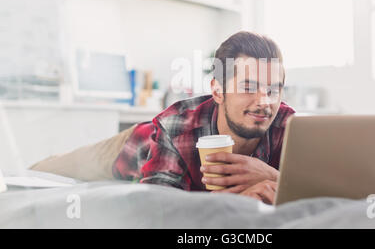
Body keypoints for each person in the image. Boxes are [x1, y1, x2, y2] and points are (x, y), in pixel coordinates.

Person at [31, 31, 295, 204]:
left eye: (274, 89)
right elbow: (156, 210)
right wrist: (234, 204)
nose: (265, 102)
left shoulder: (291, 129)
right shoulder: (175, 127)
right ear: (217, 90)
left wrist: (275, 178)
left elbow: (331, 189)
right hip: (135, 146)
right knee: (56, 170)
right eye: (248, 87)